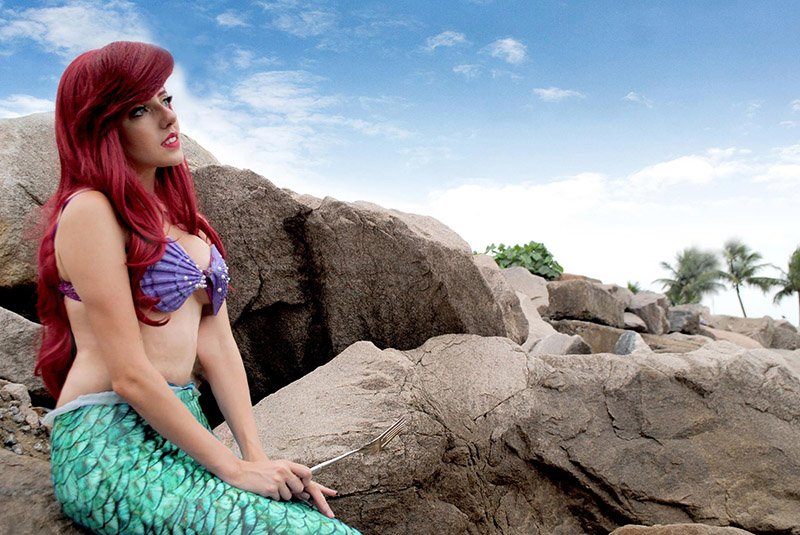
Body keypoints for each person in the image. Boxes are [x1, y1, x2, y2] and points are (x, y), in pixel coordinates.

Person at [35, 41, 361, 535]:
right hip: (110, 443)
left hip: (182, 433)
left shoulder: (191, 227)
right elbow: (129, 375)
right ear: (101, 127)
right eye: (139, 110)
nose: (168, 118)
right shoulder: (90, 211)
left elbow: (218, 346)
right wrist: (234, 470)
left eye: (166, 100)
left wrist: (255, 457)